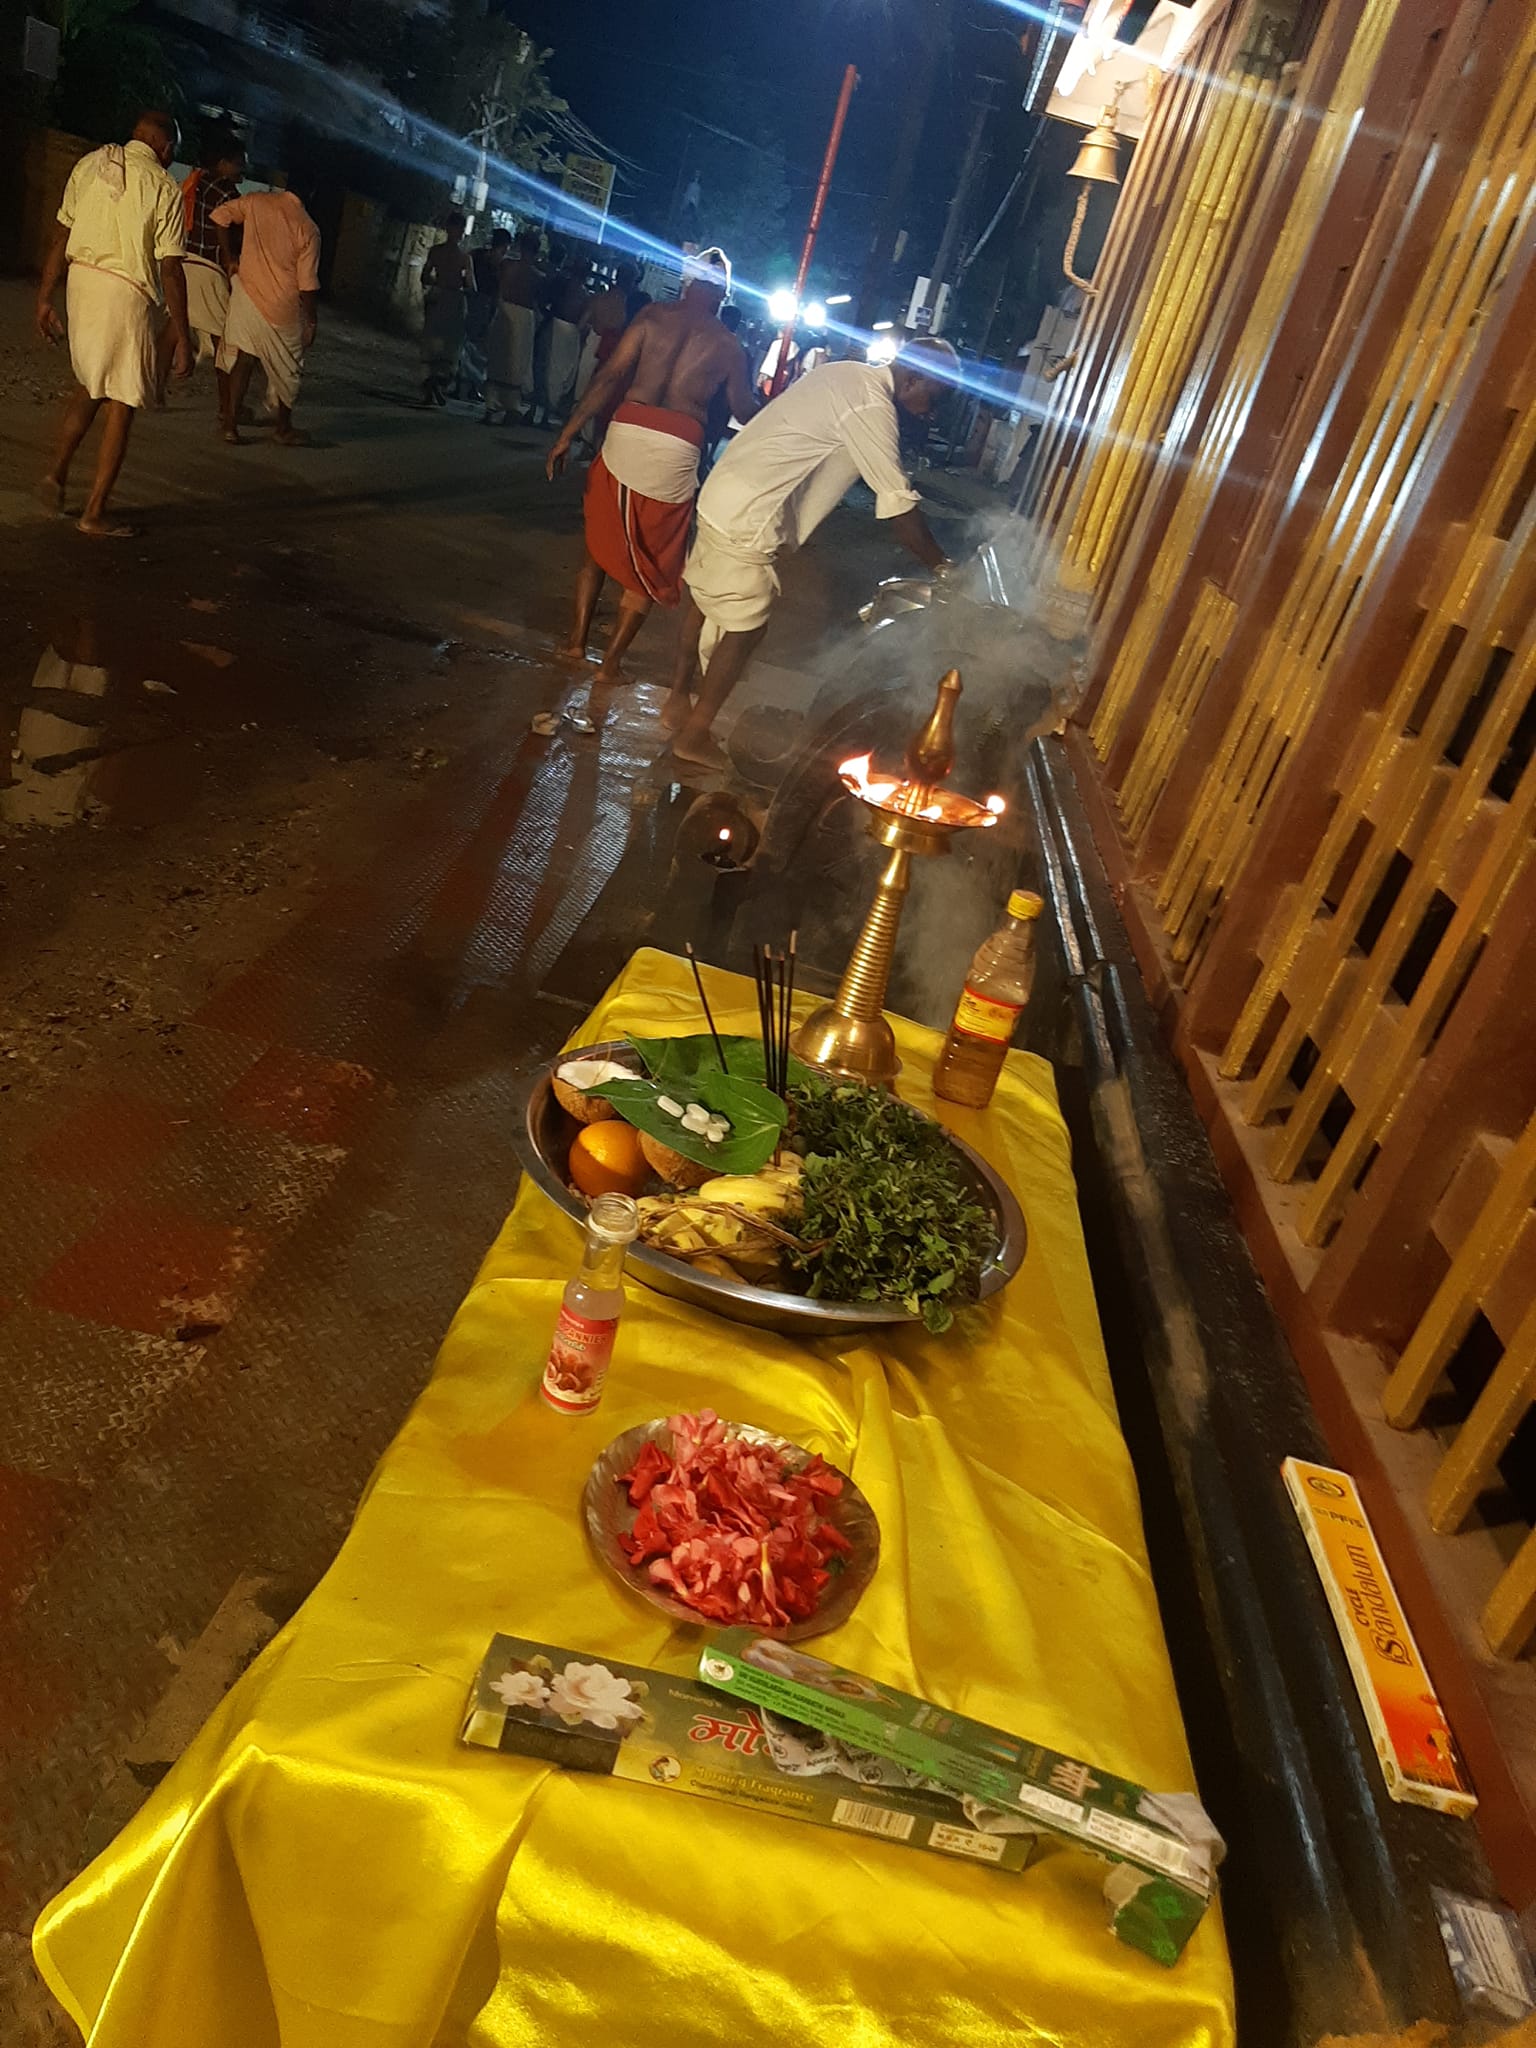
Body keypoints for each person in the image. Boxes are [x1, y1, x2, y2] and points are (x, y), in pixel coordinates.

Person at [663, 335, 957, 770]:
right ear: (915, 377)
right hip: (750, 513)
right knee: (746, 625)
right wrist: (944, 568)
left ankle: (677, 700)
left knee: (709, 599)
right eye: (934, 399)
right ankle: (694, 733)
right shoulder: (871, 406)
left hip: (724, 493)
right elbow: (898, 503)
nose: (931, 413)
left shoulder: (845, 373)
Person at [546, 248, 756, 686]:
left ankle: (576, 642)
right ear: (724, 294)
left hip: (629, 428)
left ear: (686, 282)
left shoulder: (652, 318)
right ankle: (611, 664)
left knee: (598, 545)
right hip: (679, 444)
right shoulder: (728, 344)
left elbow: (608, 377)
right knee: (654, 558)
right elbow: (742, 410)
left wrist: (568, 433)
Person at [34, 110, 192, 537]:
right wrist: (183, 333)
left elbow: (60, 236)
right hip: (126, 295)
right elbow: (173, 269)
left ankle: (57, 474)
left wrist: (45, 297)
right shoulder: (164, 187)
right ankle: (94, 512)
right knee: (121, 403)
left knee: (91, 386)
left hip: (81, 285)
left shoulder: (89, 164)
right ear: (165, 146)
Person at [211, 184, 321, 446]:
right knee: (288, 368)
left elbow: (219, 216)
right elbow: (307, 283)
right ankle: (283, 427)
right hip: (282, 306)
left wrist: (230, 258)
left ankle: (230, 425)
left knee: (243, 360)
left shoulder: (256, 202)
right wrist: (311, 319)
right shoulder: (308, 228)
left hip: (247, 294)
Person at [172, 130, 245, 411]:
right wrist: (231, 260)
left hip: (185, 260)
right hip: (209, 267)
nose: (242, 169)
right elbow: (225, 226)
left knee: (172, 330)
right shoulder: (227, 192)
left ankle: (152, 390)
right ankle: (229, 411)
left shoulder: (197, 179)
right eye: (239, 162)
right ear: (224, 162)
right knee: (225, 343)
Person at [483, 228, 541, 425]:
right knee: (515, 363)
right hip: (523, 318)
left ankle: (492, 407)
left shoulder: (507, 265)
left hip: (505, 312)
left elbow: (498, 290)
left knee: (499, 359)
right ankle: (510, 408)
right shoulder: (536, 275)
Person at [419, 212, 474, 406]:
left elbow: (425, 276)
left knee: (432, 344)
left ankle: (430, 389)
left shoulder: (437, 252)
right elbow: (471, 286)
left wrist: (437, 283)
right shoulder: (464, 258)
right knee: (449, 347)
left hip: (438, 297)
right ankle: (437, 386)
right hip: (453, 301)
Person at [537, 246, 590, 426]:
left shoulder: (582, 292)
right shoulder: (566, 285)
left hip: (566, 332)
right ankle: (540, 412)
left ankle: (543, 413)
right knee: (550, 371)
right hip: (560, 330)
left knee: (556, 373)